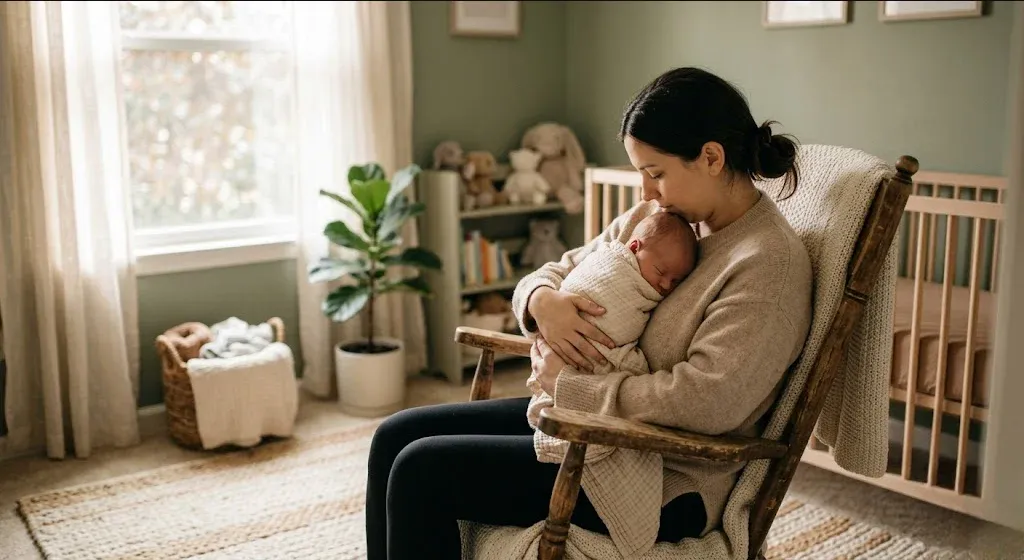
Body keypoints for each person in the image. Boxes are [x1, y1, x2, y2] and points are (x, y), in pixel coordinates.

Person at [365, 66, 814, 559]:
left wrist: (572, 387)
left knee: (421, 470)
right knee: (394, 435)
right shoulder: (656, 219)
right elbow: (559, 269)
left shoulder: (767, 263)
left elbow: (707, 402)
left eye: (656, 173)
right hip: (590, 427)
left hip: (664, 476)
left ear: (711, 157)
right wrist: (541, 303)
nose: (646, 193)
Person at [525, 211, 698, 441]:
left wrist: (567, 385)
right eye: (660, 273)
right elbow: (557, 269)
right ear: (634, 248)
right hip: (561, 383)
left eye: (676, 281)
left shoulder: (752, 261)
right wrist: (539, 298)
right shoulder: (647, 215)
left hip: (615, 426)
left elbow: (698, 402)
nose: (666, 285)